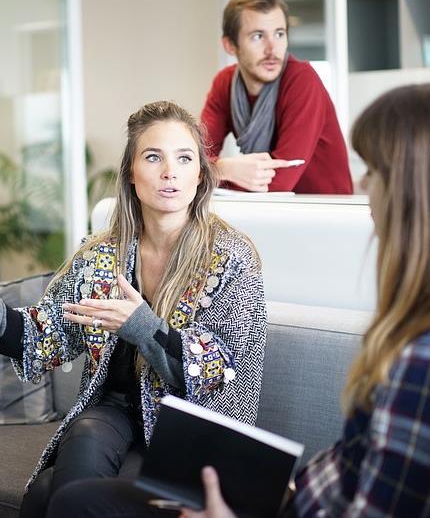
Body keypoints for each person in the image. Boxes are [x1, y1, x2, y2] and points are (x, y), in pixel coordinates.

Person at [0, 101, 266, 518]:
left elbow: (223, 372)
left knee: (47, 494)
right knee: (81, 447)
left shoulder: (232, 258)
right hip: (114, 410)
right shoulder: (101, 253)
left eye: (184, 158)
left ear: (200, 174)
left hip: (188, 426)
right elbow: (46, 332)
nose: (169, 172)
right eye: (153, 156)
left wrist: (142, 326)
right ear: (130, 172)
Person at [177, 83, 430, 517]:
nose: (363, 185)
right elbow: (349, 468)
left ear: (410, 189)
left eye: (374, 170)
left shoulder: (418, 363)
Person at [201, 0, 353, 194]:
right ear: (230, 46)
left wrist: (214, 172)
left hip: (324, 213)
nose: (272, 49)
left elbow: (279, 183)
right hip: (269, 211)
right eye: (257, 36)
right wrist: (222, 168)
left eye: (279, 34)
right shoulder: (225, 83)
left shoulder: (302, 80)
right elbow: (192, 160)